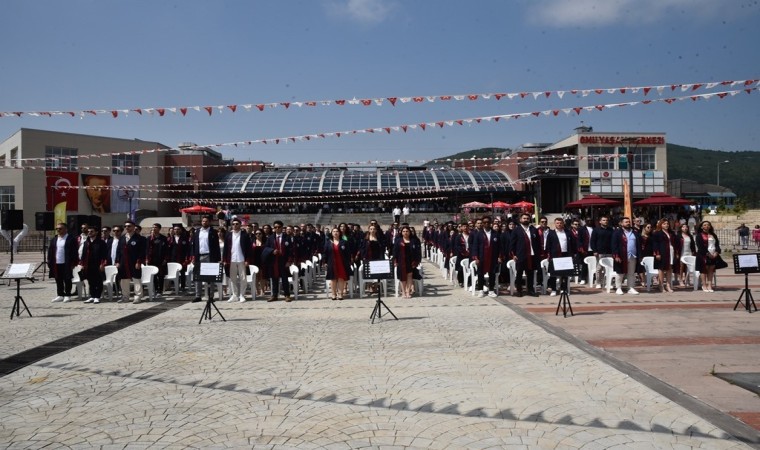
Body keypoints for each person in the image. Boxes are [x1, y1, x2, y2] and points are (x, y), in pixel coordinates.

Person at [190, 216, 222, 303]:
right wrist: (192, 256)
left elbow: (216, 246)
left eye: (206, 221)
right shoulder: (197, 232)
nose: (204, 222)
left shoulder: (213, 232)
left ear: (209, 222)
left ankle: (211, 296)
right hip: (199, 256)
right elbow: (193, 245)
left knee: (211, 277)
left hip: (209, 256)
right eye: (203, 221)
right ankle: (198, 296)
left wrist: (218, 258)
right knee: (198, 277)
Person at [509, 213, 542, 297]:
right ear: (520, 219)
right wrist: (513, 254)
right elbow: (512, 244)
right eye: (524, 218)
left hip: (532, 254)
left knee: (530, 273)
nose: (526, 220)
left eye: (527, 218)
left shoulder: (533, 229)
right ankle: (519, 290)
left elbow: (538, 242)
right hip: (520, 255)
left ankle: (530, 290)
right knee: (519, 273)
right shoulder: (516, 230)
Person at [116, 220, 147, 303]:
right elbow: (118, 251)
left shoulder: (139, 238)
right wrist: (117, 261)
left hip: (134, 262)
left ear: (133, 227)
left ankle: (138, 296)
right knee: (124, 279)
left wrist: (139, 262)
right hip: (123, 262)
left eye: (129, 226)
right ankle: (125, 296)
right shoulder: (122, 238)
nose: (127, 228)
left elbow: (142, 251)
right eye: (125, 226)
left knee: (136, 279)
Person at [545, 217, 577, 296]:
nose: (559, 224)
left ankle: (563, 289)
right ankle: (554, 289)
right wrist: (549, 255)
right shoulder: (551, 233)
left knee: (565, 274)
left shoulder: (568, 232)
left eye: (560, 223)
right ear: (555, 224)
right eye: (557, 223)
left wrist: (573, 254)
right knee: (553, 274)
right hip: (555, 255)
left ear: (563, 224)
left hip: (566, 255)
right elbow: (548, 245)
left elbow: (573, 243)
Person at [47, 222, 79, 303]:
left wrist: (74, 262)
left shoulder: (71, 239)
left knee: (67, 279)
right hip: (56, 263)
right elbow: (50, 251)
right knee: (58, 279)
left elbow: (75, 252)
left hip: (67, 263)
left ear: (66, 229)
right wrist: (49, 261)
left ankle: (67, 295)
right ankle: (60, 295)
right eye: (57, 229)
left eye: (60, 228)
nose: (58, 230)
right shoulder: (54, 239)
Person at [471, 216, 502, 298]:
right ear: (483, 224)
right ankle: (480, 290)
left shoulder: (495, 234)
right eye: (484, 222)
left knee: (492, 274)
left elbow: (499, 247)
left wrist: (499, 256)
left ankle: (491, 290)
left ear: (491, 223)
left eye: (488, 222)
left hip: (493, 257)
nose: (486, 224)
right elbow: (475, 246)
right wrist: (476, 258)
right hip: (482, 257)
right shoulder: (478, 234)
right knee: (480, 274)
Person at [223, 218, 252, 302]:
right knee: (232, 278)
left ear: (240, 225)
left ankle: (242, 295)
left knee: (243, 278)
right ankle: (234, 295)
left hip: (242, 259)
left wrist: (247, 260)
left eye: (237, 224)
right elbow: (225, 248)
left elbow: (249, 249)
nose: (235, 225)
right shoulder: (228, 235)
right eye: (233, 224)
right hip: (231, 259)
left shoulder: (244, 235)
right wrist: (224, 259)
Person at [265, 220, 294, 302]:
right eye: (275, 227)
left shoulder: (287, 237)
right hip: (274, 261)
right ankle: (274, 295)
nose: (277, 228)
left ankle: (287, 295)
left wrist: (289, 261)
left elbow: (291, 250)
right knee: (274, 278)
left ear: (282, 227)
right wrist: (272, 251)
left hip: (283, 261)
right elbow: (266, 248)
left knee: (284, 278)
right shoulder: (270, 238)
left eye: (278, 227)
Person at [611, 217, 639, 295]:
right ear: (621, 223)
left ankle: (630, 288)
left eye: (629, 222)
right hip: (621, 256)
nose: (628, 223)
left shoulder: (634, 232)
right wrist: (616, 255)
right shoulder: (617, 232)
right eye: (626, 222)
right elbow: (614, 245)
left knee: (631, 273)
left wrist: (639, 255)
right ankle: (618, 288)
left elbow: (638, 244)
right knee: (620, 272)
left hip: (632, 256)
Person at [80, 226, 107, 304]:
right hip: (88, 265)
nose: (89, 233)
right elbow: (83, 254)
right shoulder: (86, 242)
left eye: (91, 231)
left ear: (96, 232)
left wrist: (102, 264)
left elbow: (104, 254)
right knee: (90, 281)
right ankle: (92, 296)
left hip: (98, 264)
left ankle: (97, 297)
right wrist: (82, 264)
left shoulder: (101, 242)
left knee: (98, 281)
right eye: (88, 231)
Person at [325, 228, 353, 300]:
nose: (335, 233)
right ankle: (333, 294)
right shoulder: (328, 242)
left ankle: (340, 294)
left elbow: (348, 253)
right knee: (333, 278)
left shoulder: (344, 242)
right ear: (331, 233)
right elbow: (325, 253)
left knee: (341, 278)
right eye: (334, 231)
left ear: (339, 233)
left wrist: (349, 262)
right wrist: (325, 262)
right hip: (332, 263)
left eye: (337, 231)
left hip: (342, 262)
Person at [393, 225, 421, 298]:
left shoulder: (413, 241)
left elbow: (417, 252)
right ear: (401, 232)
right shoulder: (398, 241)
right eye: (404, 231)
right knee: (402, 277)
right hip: (401, 261)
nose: (405, 233)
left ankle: (408, 292)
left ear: (409, 232)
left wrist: (416, 261)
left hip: (410, 261)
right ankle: (403, 292)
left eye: (407, 231)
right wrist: (395, 261)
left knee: (409, 276)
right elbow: (395, 252)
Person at [695, 220, 721, 292]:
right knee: (704, 270)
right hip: (703, 254)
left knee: (711, 269)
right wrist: (708, 253)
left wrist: (717, 252)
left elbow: (717, 245)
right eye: (705, 225)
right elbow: (700, 246)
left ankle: (710, 285)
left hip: (713, 254)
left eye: (708, 225)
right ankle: (704, 285)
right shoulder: (699, 235)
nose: (706, 226)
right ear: (701, 227)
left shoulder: (713, 235)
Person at [652, 219, 677, 293]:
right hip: (662, 252)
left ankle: (668, 285)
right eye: (664, 224)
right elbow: (655, 244)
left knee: (669, 268)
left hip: (670, 252)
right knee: (661, 269)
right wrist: (657, 253)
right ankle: (661, 285)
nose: (666, 225)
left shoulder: (671, 233)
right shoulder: (657, 233)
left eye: (667, 224)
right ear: (661, 225)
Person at [146, 223, 168, 297]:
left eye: (155, 227)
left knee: (161, 276)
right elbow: (146, 250)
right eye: (153, 227)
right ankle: (155, 289)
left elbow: (166, 250)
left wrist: (165, 259)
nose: (154, 228)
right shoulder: (149, 238)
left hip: (161, 260)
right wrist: (147, 259)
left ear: (159, 229)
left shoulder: (164, 238)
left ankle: (160, 290)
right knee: (154, 276)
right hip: (152, 260)